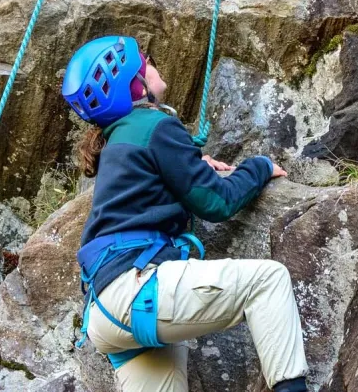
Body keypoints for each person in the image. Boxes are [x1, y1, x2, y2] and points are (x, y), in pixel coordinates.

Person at [62, 35, 309, 392]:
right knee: (267, 281)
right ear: (134, 82)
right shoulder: (151, 125)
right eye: (145, 59)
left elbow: (148, 187)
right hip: (137, 290)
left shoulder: (120, 140)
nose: (152, 62)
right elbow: (217, 202)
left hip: (104, 312)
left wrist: (191, 167)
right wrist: (259, 167)